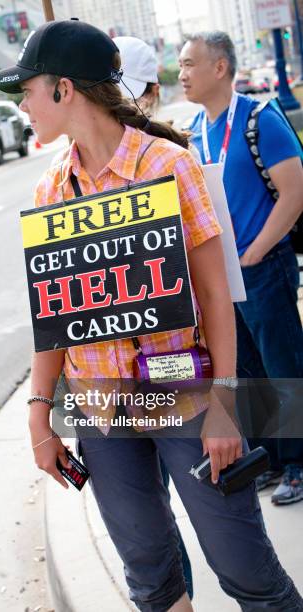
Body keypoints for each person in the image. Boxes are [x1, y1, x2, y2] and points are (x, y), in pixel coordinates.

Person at [0, 19, 303, 611]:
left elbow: (214, 296)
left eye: (26, 89)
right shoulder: (51, 191)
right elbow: (54, 316)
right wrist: (39, 413)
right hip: (101, 407)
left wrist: (228, 407)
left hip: (183, 390)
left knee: (246, 571)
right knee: (150, 579)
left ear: (64, 90)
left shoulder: (168, 165)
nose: (22, 104)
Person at [179, 31, 303, 506]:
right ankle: (271, 458)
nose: (183, 74)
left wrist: (255, 252)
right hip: (227, 275)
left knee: (284, 368)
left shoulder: (259, 120)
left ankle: (297, 463)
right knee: (248, 372)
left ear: (220, 68)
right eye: (181, 65)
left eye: (191, 64)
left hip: (263, 266)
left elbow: (294, 193)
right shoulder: (194, 132)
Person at [115, 34, 194, 601]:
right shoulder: (67, 174)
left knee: (182, 511)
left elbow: (215, 288)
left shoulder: (171, 161)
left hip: (170, 365)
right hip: (126, 376)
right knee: (154, 515)